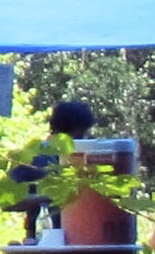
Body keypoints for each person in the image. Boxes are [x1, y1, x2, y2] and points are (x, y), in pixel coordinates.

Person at [9, 99, 94, 239]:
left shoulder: (87, 158)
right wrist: (47, 198)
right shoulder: (38, 157)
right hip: (46, 242)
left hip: (84, 239)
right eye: (80, 135)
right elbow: (6, 202)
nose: (84, 139)